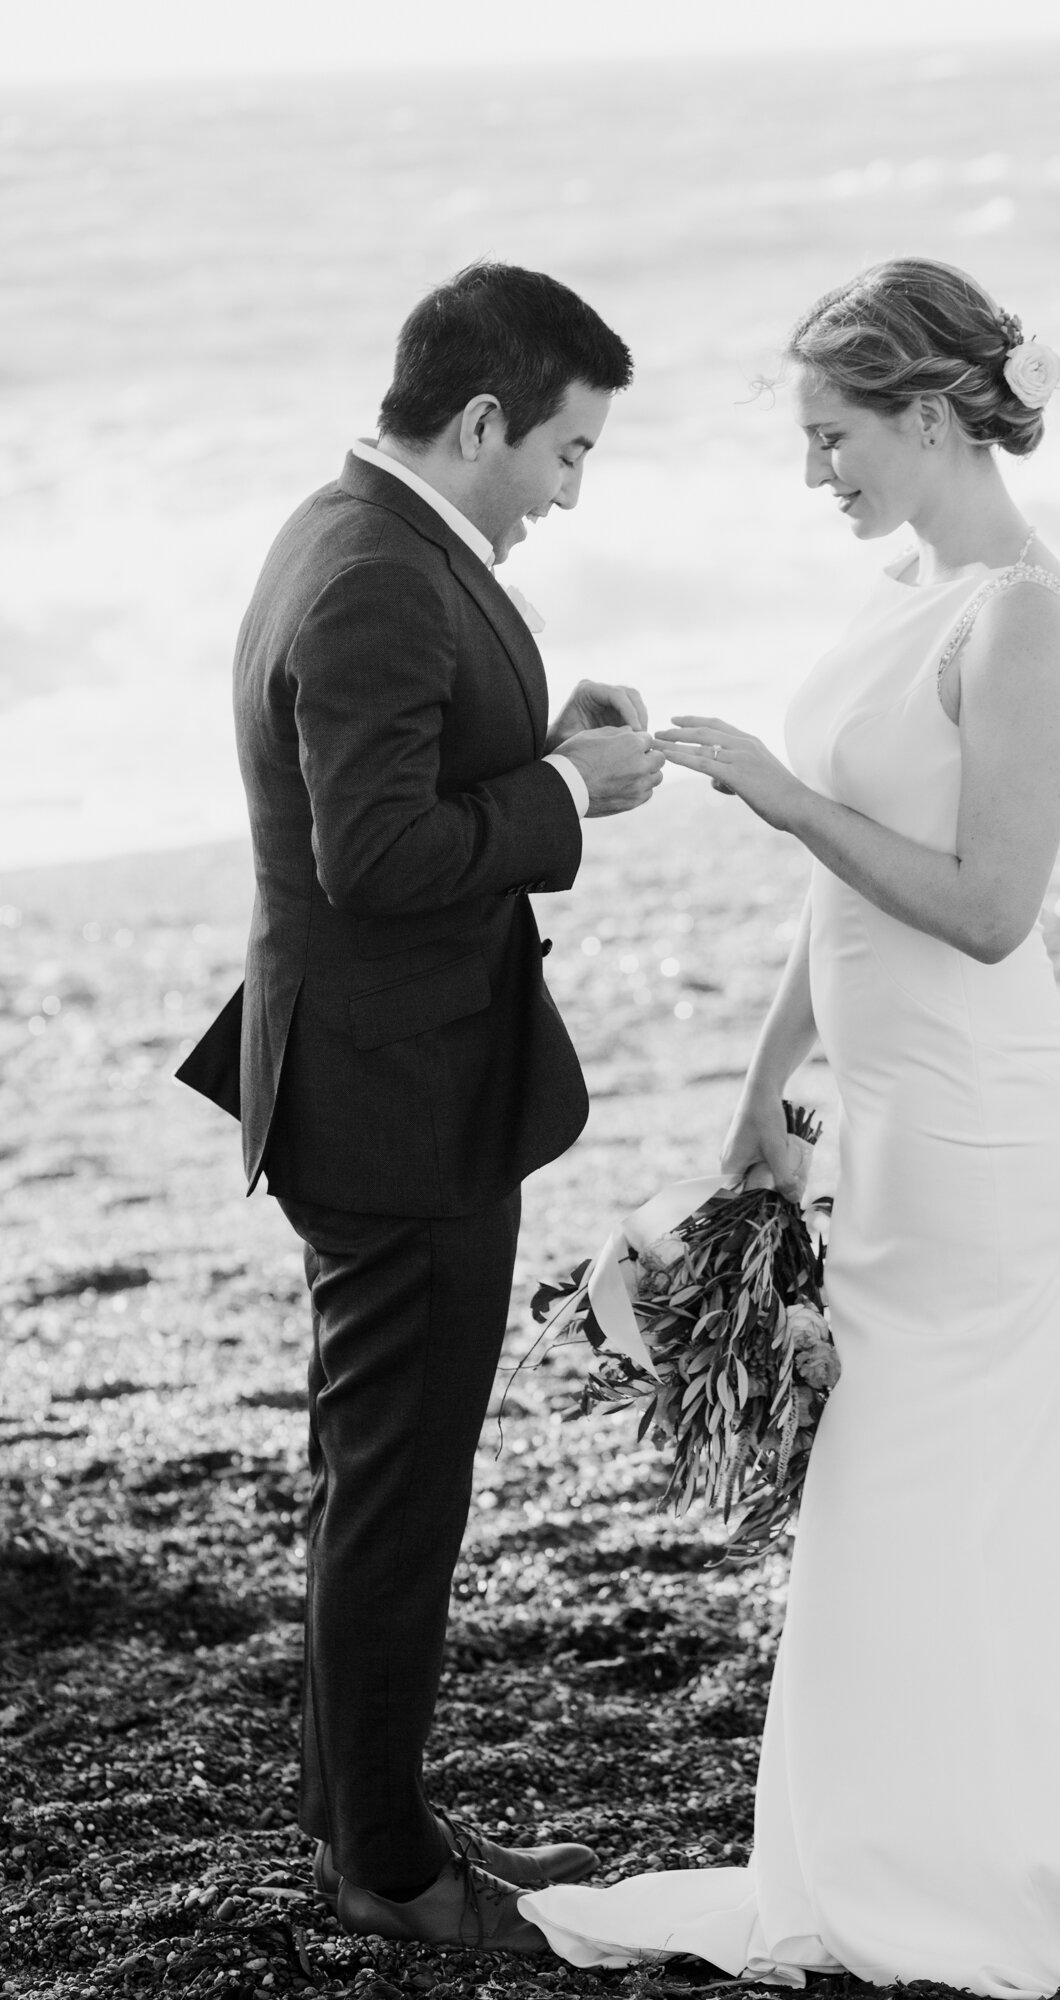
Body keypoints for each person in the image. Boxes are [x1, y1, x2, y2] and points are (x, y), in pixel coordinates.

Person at [519, 258, 1060, 1994]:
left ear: (929, 415)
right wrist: (767, 1097)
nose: (812, 472)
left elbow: (988, 907)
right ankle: (891, 1840)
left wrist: (771, 796)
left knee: (931, 1480)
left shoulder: (1024, 615)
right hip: (876, 1106)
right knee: (892, 1489)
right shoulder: (901, 589)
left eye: (832, 435)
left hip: (980, 1115)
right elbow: (838, 906)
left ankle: (963, 1855)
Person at [176, 261, 664, 1952]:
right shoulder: (375, 573)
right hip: (393, 1099)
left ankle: (360, 1815)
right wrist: (556, 791)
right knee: (397, 1499)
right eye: (565, 452)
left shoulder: (354, 532)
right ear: (480, 422)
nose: (564, 492)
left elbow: (387, 777)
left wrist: (542, 741)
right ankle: (382, 1870)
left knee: (369, 1480)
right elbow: (371, 856)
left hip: (381, 1071)